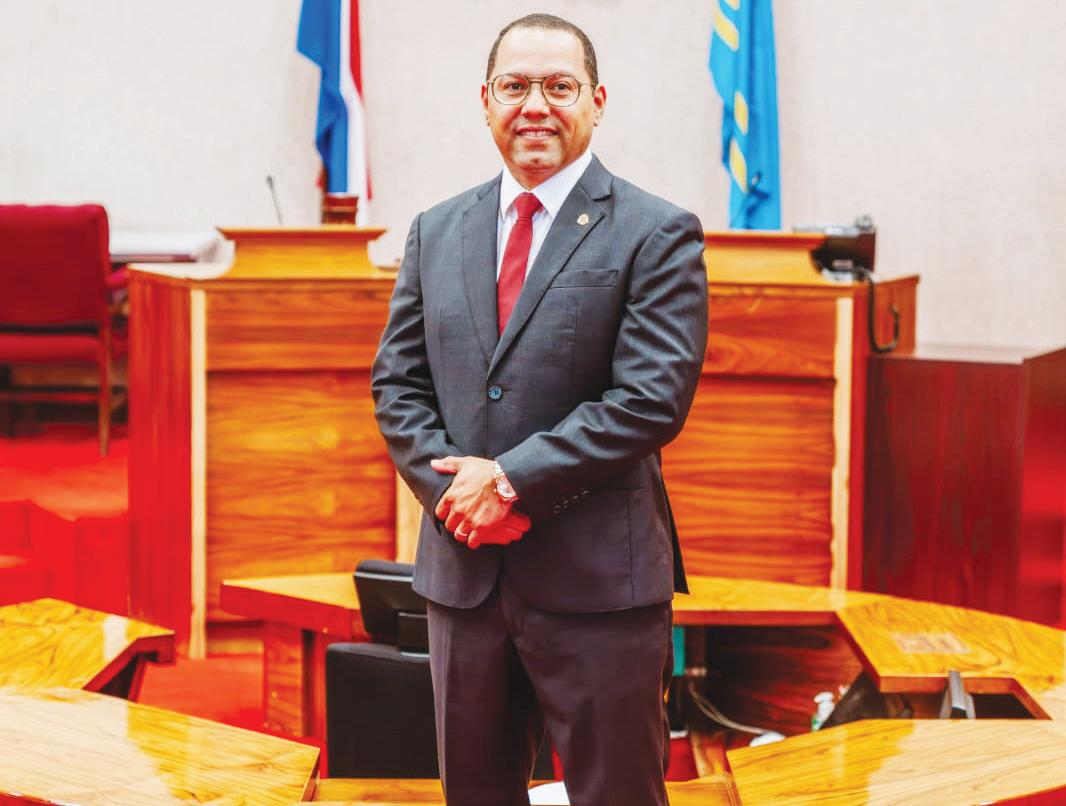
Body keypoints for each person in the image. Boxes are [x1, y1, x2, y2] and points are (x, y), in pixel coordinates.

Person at [371, 13, 708, 805]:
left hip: (600, 586)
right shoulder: (435, 230)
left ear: (596, 101)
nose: (535, 106)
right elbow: (398, 384)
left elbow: (650, 399)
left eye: (559, 86)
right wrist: (460, 497)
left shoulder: (657, 232)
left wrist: (510, 482)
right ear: (485, 101)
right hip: (465, 578)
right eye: (515, 86)